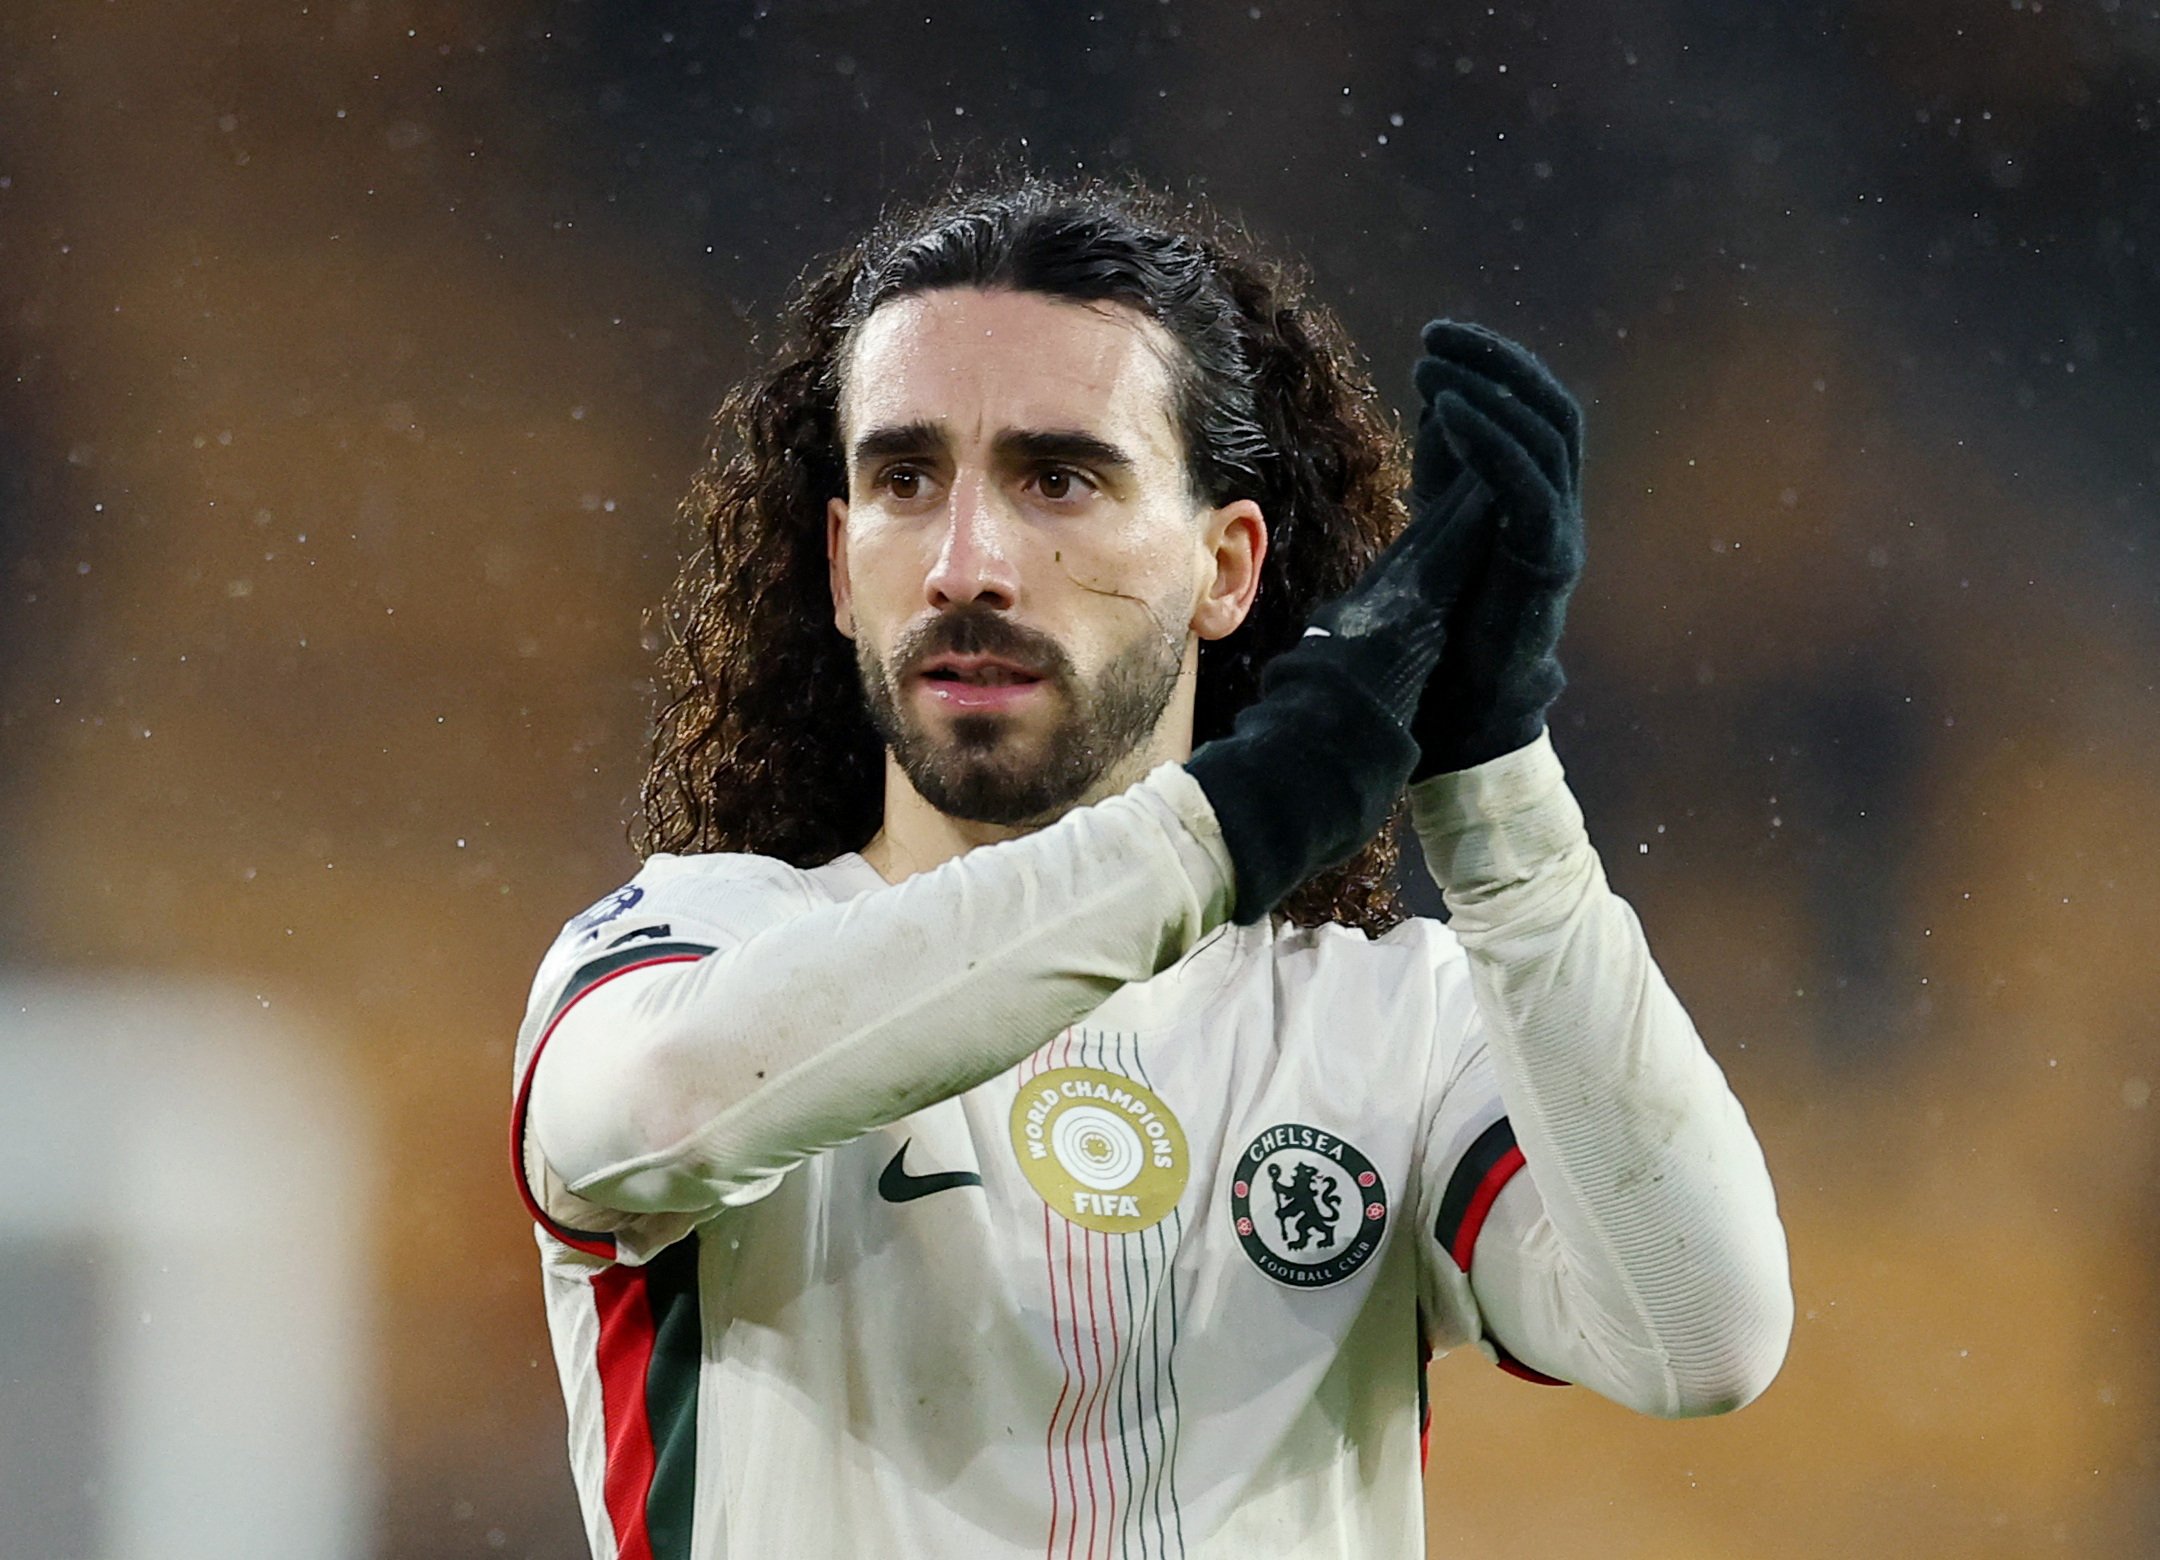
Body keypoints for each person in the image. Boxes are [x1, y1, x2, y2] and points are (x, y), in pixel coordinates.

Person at [509, 176, 1791, 1560]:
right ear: (837, 563)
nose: (965, 565)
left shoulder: (1395, 1025)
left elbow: (1699, 1338)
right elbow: (666, 1102)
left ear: (1225, 568)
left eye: (1057, 478)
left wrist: (1496, 792)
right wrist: (1222, 825)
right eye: (905, 481)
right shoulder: (681, 953)